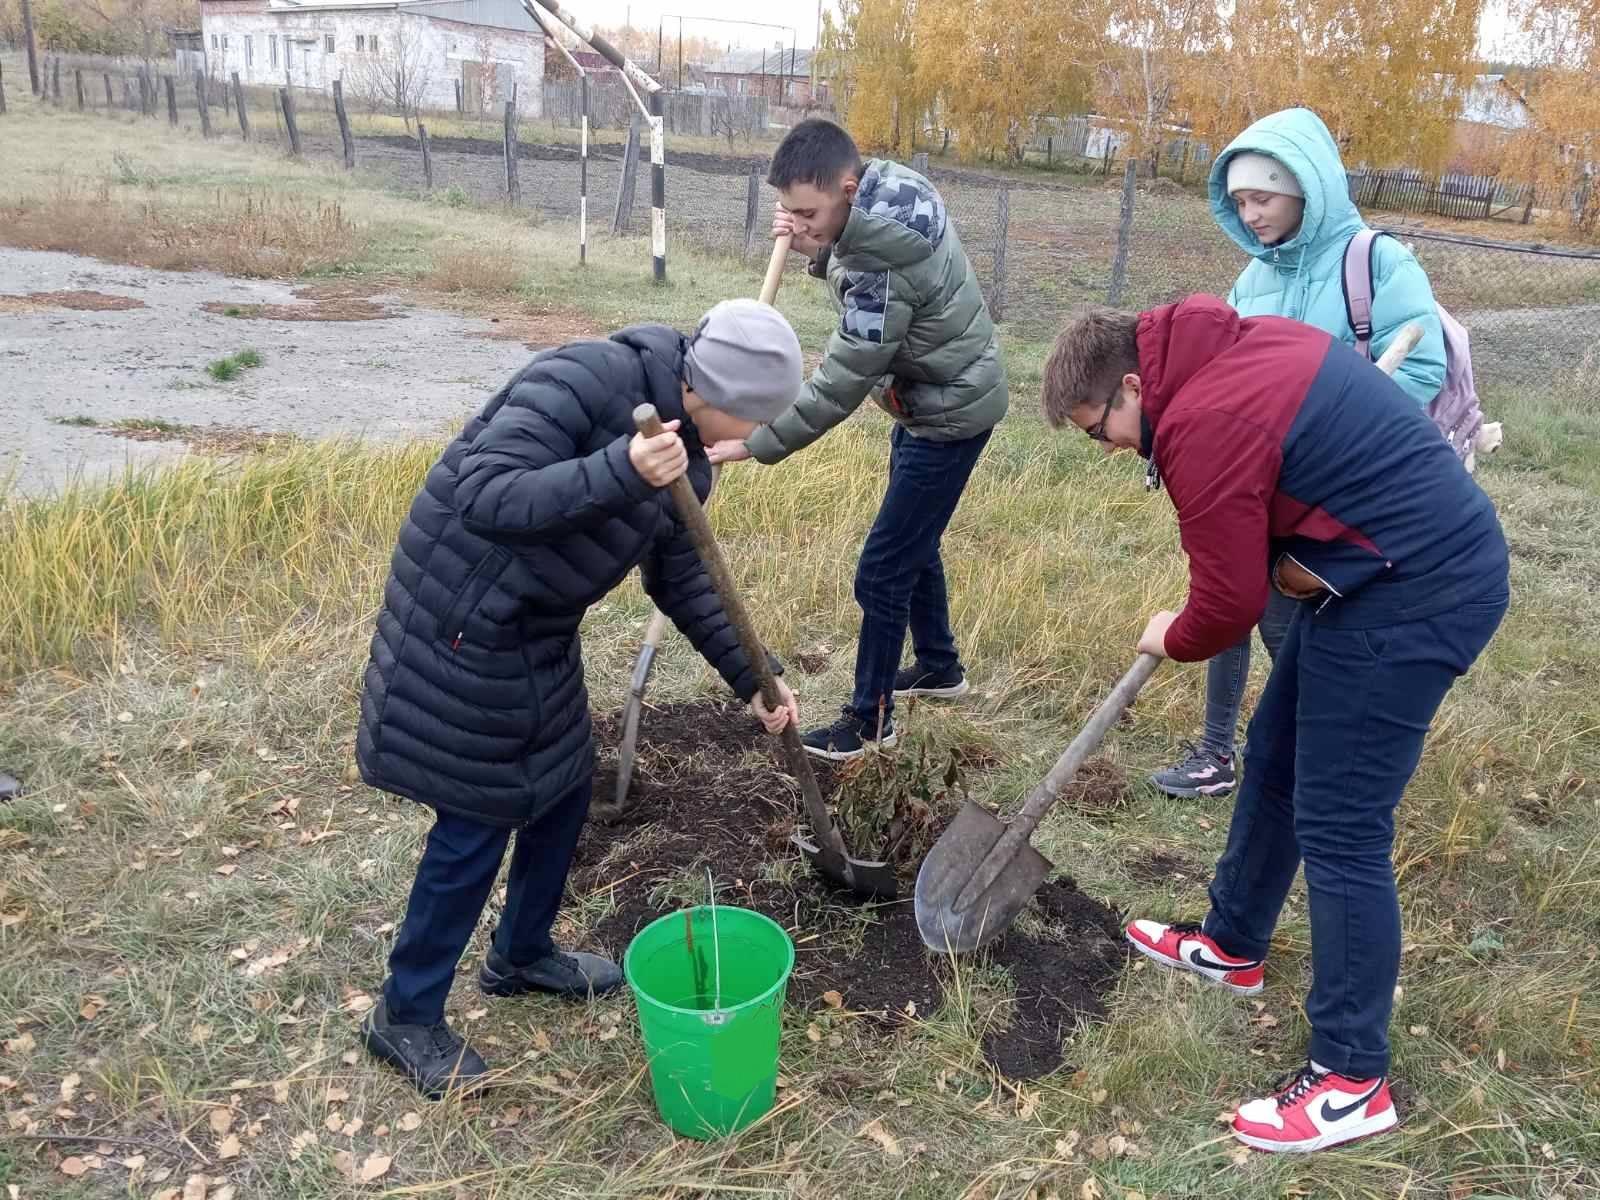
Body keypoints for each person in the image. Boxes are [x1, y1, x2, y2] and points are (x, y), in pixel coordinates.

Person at [1043, 297, 1508, 1153]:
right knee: (1276, 758)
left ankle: (1351, 1077)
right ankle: (1232, 942)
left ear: (1135, 386)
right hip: (1362, 569)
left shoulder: (1202, 422)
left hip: (1422, 586)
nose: (1104, 449)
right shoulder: (1218, 353)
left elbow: (1228, 606)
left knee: (1341, 822)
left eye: (1095, 429)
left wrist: (1174, 632)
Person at [356, 300, 803, 1099]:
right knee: (477, 819)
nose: (755, 432)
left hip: (536, 629)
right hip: (462, 617)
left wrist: (754, 678)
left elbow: (684, 574)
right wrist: (623, 469)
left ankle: (521, 956)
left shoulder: (689, 452)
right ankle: (405, 1014)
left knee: (563, 787)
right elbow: (487, 494)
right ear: (719, 390)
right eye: (757, 416)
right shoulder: (584, 377)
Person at [1150, 107, 1449, 800]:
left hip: (1332, 492)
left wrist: (1338, 433)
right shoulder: (1254, 280)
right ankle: (1216, 753)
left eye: (1264, 197)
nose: (1250, 214)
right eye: (1241, 201)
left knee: (1291, 624)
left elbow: (1422, 365)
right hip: (1258, 479)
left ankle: (1311, 758)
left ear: (1305, 189)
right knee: (1225, 597)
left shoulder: (1374, 261)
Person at [707, 118, 1008, 762]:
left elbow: (840, 380)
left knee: (882, 567)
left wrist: (759, 440)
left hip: (949, 414)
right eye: (788, 211)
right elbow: (851, 258)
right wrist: (816, 246)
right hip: (935, 399)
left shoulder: (880, 260)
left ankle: (871, 719)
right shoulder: (888, 192)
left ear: (847, 186)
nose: (800, 222)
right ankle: (939, 667)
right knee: (912, 543)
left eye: (808, 211)